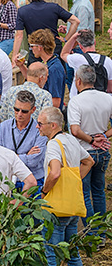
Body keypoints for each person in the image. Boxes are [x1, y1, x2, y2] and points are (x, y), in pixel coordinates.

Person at [38, 107, 94, 266]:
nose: (38, 126)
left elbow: (55, 173)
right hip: (72, 204)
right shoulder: (70, 139)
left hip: (56, 207)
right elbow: (89, 161)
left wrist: (44, 192)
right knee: (72, 252)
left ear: (53, 125)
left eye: (40, 123)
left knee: (51, 254)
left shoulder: (54, 145)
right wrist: (75, 180)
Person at [66, 64, 112, 221]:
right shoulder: (107, 98)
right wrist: (103, 136)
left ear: (78, 81)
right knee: (99, 191)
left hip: (84, 152)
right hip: (102, 151)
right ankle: (102, 230)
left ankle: (92, 233)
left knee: (84, 192)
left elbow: (75, 130)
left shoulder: (76, 101)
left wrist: (92, 140)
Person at [0, 90, 47, 186]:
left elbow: (34, 161)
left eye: (24, 111)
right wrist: (26, 155)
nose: (19, 114)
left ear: (33, 110)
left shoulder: (40, 130)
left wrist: (10, 156)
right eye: (16, 109)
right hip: (8, 180)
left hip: (34, 179)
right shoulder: (3, 127)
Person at [62, 29, 112, 97]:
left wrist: (73, 37)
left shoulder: (77, 59)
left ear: (80, 46)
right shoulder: (108, 61)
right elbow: (110, 88)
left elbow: (63, 54)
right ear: (94, 42)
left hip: (80, 99)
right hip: (101, 100)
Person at [29, 29, 67, 110]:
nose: (31, 49)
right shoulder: (49, 61)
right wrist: (21, 66)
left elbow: (56, 102)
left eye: (32, 46)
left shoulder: (54, 69)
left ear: (39, 48)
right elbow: (31, 78)